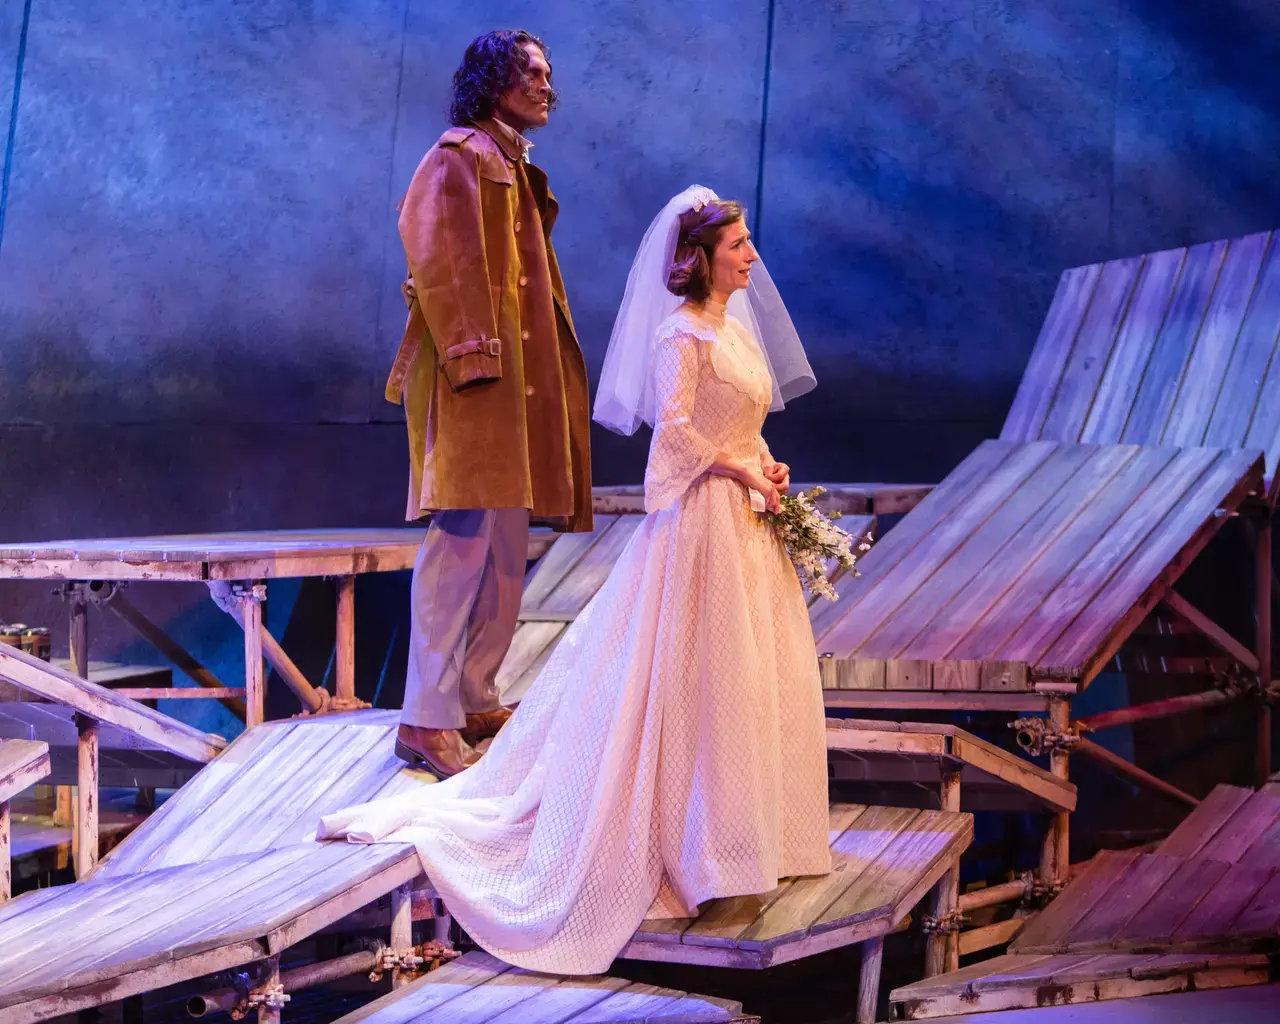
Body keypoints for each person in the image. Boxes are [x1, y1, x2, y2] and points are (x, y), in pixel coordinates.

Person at [320, 186, 829, 975]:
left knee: (745, 680)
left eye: (748, 244)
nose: (751, 257)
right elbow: (675, 445)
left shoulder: (734, 333)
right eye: (738, 247)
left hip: (744, 526)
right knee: (691, 680)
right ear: (700, 259)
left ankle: (744, 840)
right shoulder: (679, 335)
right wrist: (733, 465)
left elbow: (741, 421)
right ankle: (688, 848)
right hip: (698, 530)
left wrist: (763, 461)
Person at [385, 30, 592, 778]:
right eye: (530, 73)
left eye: (547, 73)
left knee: (505, 539)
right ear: (493, 81)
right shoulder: (461, 154)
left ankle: (475, 694)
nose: (545, 86)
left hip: (516, 380)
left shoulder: (513, 162)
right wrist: (474, 353)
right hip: (477, 375)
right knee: (462, 539)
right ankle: (425, 718)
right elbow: (436, 252)